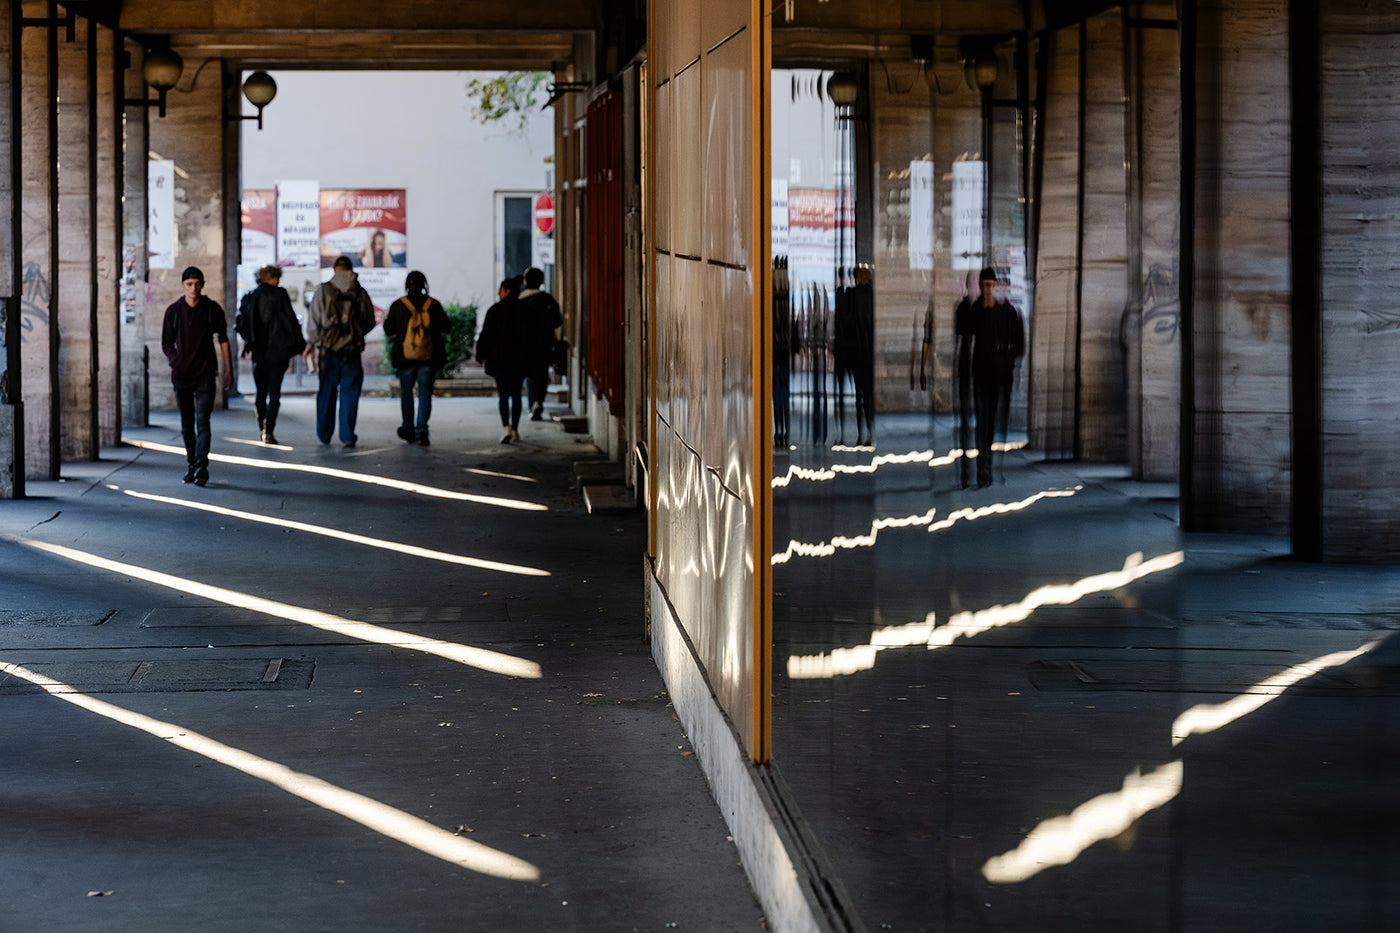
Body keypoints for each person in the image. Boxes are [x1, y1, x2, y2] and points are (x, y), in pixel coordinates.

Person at [161, 266, 233, 487]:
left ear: (203, 284)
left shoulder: (212, 309)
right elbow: (166, 343)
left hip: (205, 373)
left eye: (197, 284)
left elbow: (223, 339)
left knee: (203, 422)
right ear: (183, 285)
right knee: (186, 424)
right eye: (189, 284)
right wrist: (176, 361)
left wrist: (229, 370)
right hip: (182, 375)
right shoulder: (173, 311)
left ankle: (201, 468)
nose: (193, 288)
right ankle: (192, 464)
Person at [956, 266, 1025, 488]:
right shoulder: (976, 310)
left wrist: (1008, 362)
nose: (987, 289)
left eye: (990, 285)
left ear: (994, 287)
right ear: (981, 286)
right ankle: (982, 470)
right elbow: (965, 339)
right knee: (982, 422)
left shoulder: (1003, 313)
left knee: (990, 424)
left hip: (996, 376)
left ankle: (986, 465)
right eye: (984, 285)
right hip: (980, 375)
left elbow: (1018, 344)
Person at [305, 255, 376, 447]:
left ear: (335, 269)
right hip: (352, 351)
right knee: (350, 393)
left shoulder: (323, 291)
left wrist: (313, 343)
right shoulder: (360, 292)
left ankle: (324, 434)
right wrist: (356, 334)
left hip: (329, 351)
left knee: (326, 392)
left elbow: (313, 322)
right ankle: (346, 435)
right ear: (351, 269)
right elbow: (370, 320)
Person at [236, 264, 306, 444]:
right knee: (274, 393)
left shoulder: (251, 296)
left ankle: (261, 425)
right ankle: (269, 430)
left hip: (258, 352)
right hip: (278, 352)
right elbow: (290, 320)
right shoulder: (280, 294)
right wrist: (299, 344)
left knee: (261, 392)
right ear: (273, 278)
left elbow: (242, 324)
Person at [383, 270, 450, 446]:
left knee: (406, 393)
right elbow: (447, 327)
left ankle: (408, 428)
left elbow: (388, 330)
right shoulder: (433, 305)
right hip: (428, 358)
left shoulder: (398, 305)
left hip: (405, 359)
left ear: (407, 285)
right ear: (424, 285)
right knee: (425, 393)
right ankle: (422, 431)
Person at [475, 275, 532, 444]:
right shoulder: (526, 311)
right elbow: (533, 338)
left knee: (503, 395)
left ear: (506, 291)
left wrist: (481, 355)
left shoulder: (495, 310)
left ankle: (505, 428)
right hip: (520, 361)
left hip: (499, 360)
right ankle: (515, 429)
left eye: (500, 290)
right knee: (516, 395)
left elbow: (485, 335)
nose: (499, 293)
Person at [518, 266, 562, 421]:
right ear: (542, 281)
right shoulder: (548, 300)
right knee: (542, 374)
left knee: (529, 376)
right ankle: (539, 401)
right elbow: (557, 326)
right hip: (545, 345)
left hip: (524, 346)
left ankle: (533, 403)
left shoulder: (519, 301)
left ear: (525, 281)